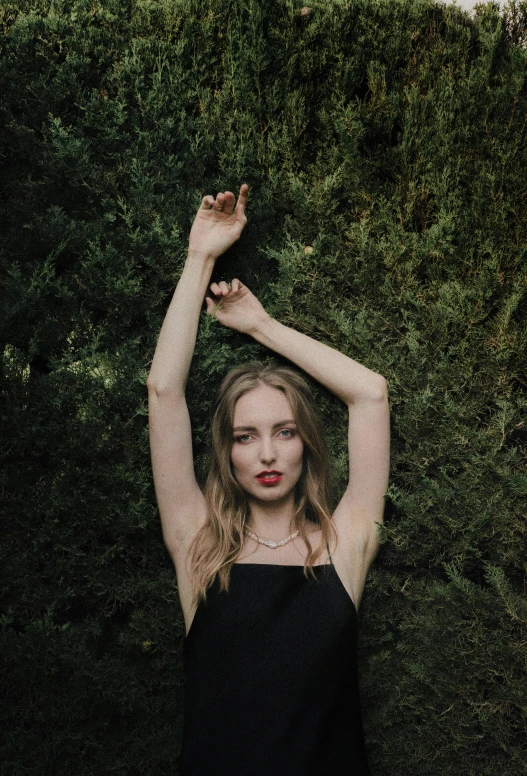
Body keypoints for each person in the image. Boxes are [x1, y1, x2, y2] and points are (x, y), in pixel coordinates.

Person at [146, 184, 390, 775]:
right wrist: (199, 257)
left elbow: (370, 393)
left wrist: (261, 327)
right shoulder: (197, 544)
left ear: (307, 443)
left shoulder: (344, 543)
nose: (266, 453)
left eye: (284, 431)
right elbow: (163, 391)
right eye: (245, 436)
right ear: (227, 454)